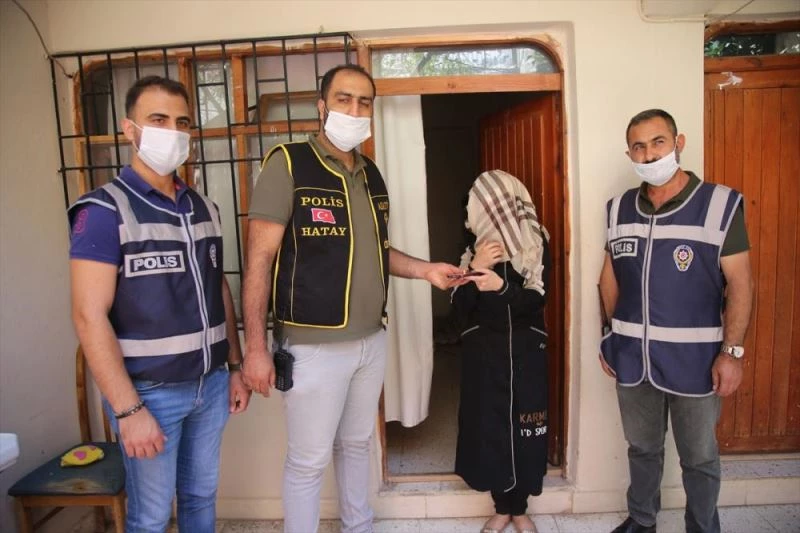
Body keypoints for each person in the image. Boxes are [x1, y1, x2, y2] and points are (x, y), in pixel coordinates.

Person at [241, 64, 463, 533]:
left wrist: (425, 270)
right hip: (312, 347)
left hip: (370, 340)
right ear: (322, 106)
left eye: (364, 102)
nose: (355, 110)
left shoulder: (370, 174)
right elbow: (259, 259)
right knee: (308, 460)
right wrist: (255, 347)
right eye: (344, 99)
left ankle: (358, 526)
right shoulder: (288, 164)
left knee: (358, 444)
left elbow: (379, 250)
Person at [69, 76, 251, 533]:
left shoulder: (204, 208)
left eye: (182, 122)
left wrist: (234, 366)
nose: (173, 131)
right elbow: (88, 316)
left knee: (200, 497)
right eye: (158, 119)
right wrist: (128, 411)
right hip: (149, 393)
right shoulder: (102, 211)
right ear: (130, 129)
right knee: (150, 517)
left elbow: (219, 290)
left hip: (210, 385)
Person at [598, 109, 753, 533]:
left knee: (699, 457)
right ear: (629, 154)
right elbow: (609, 277)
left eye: (658, 142)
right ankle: (642, 520)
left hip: (697, 363)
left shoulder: (719, 205)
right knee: (642, 448)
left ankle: (701, 527)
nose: (649, 154)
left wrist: (732, 354)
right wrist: (610, 336)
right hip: (633, 359)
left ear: (678, 143)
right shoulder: (618, 209)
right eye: (639, 147)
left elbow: (741, 284)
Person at [452, 170, 551, 533]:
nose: (475, 214)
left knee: (525, 431)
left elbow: (537, 301)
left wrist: (501, 287)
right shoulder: (471, 251)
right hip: (485, 357)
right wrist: (475, 269)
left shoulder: (535, 246)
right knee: (491, 428)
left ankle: (519, 509)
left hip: (526, 354)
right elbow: (459, 308)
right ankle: (500, 507)